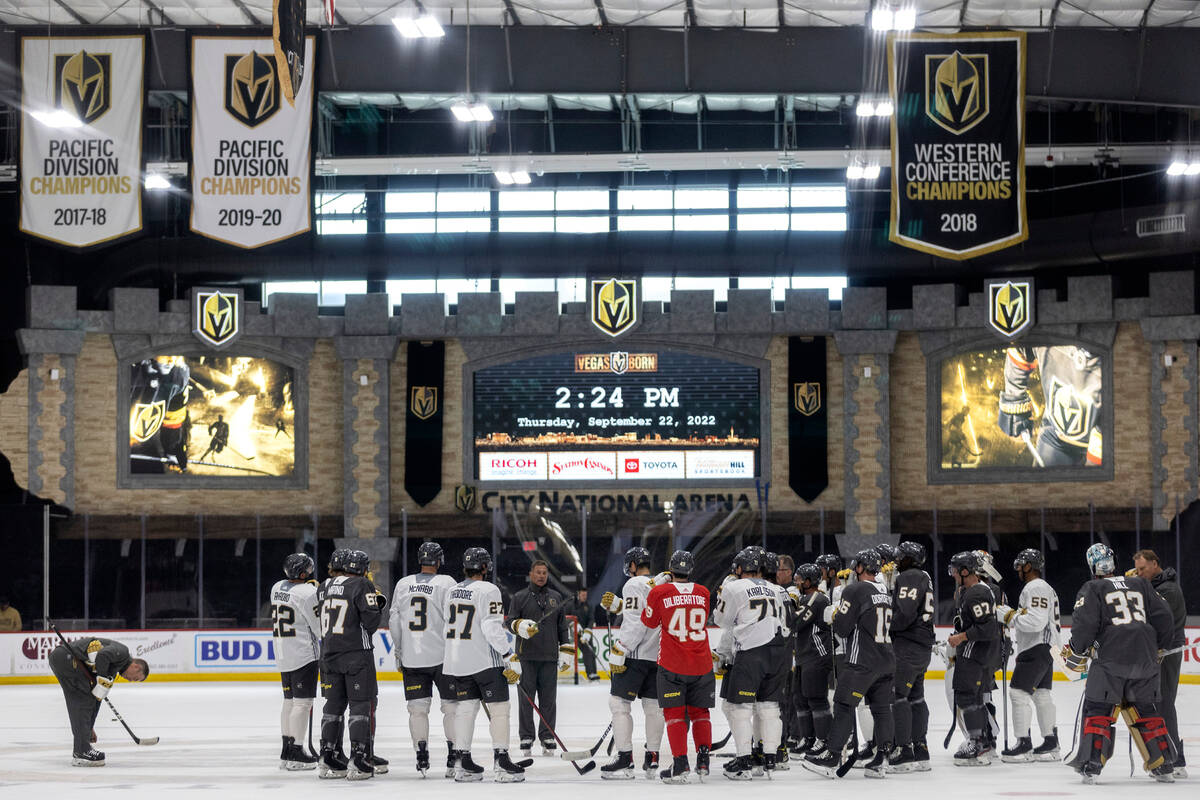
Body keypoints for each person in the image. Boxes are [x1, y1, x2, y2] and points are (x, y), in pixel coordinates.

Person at [1064, 543, 1176, 783]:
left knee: (1098, 710)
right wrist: (1160, 646)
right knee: (1147, 710)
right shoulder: (1141, 583)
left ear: (1092, 565)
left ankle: (1092, 764)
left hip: (1111, 659)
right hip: (1145, 659)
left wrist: (1077, 649)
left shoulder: (1092, 587)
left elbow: (1084, 625)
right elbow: (1165, 616)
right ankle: (1164, 763)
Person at [614, 550, 714, 784]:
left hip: (673, 663)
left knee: (675, 715)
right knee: (701, 713)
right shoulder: (703, 592)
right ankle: (703, 760)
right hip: (702, 662)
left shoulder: (660, 591)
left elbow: (648, 621)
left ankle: (680, 764)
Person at [802, 548, 895, 779]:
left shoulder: (855, 589)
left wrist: (832, 615)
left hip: (861, 660)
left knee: (843, 704)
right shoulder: (884, 592)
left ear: (862, 567)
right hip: (886, 659)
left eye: (857, 566)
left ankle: (832, 756)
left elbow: (842, 629)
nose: (854, 570)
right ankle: (882, 758)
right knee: (882, 709)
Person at [443, 547, 530, 783]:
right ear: (484, 567)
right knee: (500, 709)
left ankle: (463, 762)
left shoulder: (452, 591)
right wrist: (508, 654)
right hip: (484, 661)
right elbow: (492, 627)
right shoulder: (489, 589)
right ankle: (501, 761)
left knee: (465, 710)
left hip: (457, 661)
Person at [713, 547, 786, 779]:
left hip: (752, 651)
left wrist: (723, 597)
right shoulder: (775, 588)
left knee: (739, 708)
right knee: (769, 708)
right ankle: (770, 758)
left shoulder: (734, 586)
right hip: (780, 650)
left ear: (740, 568)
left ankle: (744, 760)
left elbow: (721, 620)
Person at [389, 541, 459, 776]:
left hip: (412, 658)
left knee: (417, 710)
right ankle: (453, 755)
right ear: (439, 561)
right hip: (443, 657)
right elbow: (455, 620)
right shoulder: (447, 583)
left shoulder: (403, 584)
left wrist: (399, 650)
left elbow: (394, 622)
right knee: (451, 708)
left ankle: (421, 754)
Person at [317, 549, 386, 780]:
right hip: (356, 654)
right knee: (360, 705)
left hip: (328, 654)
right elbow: (371, 622)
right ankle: (359, 758)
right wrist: (378, 602)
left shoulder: (324, 585)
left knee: (333, 705)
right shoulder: (361, 585)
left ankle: (327, 755)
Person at [599, 546, 665, 780]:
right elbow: (646, 611)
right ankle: (653, 757)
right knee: (654, 708)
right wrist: (619, 605)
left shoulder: (633, 584)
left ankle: (625, 759)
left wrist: (621, 648)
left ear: (634, 565)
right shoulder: (657, 584)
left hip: (635, 656)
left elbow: (637, 622)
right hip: (656, 656)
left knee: (618, 704)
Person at [995, 548, 1061, 763]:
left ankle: (1023, 744)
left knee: (1018, 693)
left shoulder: (1035, 587)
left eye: (1021, 565)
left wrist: (1008, 615)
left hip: (1036, 646)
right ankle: (1051, 744)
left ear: (1029, 566)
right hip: (1045, 647)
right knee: (1041, 695)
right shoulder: (1044, 587)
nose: (1018, 569)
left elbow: (1035, 622)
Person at [48, 636, 149, 766]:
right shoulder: (123, 653)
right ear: (136, 667)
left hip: (64, 659)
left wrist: (90, 728)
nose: (130, 680)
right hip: (67, 657)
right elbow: (102, 655)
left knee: (84, 700)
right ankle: (82, 751)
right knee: (83, 701)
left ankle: (82, 749)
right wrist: (101, 678)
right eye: (135, 679)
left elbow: (96, 699)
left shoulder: (114, 668)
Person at [506, 560, 572, 756]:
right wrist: (519, 625)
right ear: (531, 574)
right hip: (526, 657)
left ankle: (547, 736)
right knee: (526, 700)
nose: (541, 576)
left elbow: (562, 627)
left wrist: (566, 650)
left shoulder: (556, 597)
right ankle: (526, 736)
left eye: (544, 572)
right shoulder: (519, 597)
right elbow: (509, 622)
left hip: (549, 658)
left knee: (548, 700)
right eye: (538, 572)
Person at [1133, 549, 1188, 777]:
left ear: (1155, 564)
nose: (1140, 574)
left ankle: (1175, 760)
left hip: (1167, 653)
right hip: (1158, 653)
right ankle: (1173, 758)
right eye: (1137, 570)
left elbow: (1152, 618)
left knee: (1164, 703)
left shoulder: (1168, 590)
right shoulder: (1156, 586)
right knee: (1159, 703)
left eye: (1142, 569)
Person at [945, 550, 1001, 766]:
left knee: (968, 696)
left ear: (965, 571)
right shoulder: (970, 590)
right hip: (976, 652)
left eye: (955, 569)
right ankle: (983, 741)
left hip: (974, 652)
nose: (952, 573)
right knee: (974, 697)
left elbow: (987, 628)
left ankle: (977, 742)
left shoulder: (976, 592)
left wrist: (961, 637)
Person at [270, 552, 322, 770]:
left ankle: (287, 751)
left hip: (283, 652)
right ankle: (297, 751)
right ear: (304, 572)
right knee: (303, 703)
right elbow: (318, 626)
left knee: (289, 702)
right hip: (303, 654)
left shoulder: (276, 587)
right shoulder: (308, 592)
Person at [887, 541, 935, 773]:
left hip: (907, 645)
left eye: (901, 556)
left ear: (909, 558)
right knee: (916, 697)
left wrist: (889, 627)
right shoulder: (924, 576)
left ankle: (904, 750)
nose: (897, 560)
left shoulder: (909, 576)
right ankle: (920, 748)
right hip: (922, 646)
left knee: (898, 697)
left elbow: (905, 612)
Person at [788, 562, 832, 760]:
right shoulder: (807, 598)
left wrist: (790, 603)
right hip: (804, 656)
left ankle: (824, 740)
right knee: (800, 698)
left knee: (816, 699)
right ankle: (808, 738)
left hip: (817, 655)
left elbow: (794, 622)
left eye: (799, 579)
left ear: (808, 581)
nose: (796, 582)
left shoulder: (817, 598)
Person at [564, 588, 600, 681]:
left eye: (586, 595)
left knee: (590, 651)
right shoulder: (570, 605)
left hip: (586, 634)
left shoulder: (588, 605)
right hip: (573, 634)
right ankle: (590, 673)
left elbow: (591, 619)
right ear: (578, 595)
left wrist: (588, 631)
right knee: (587, 651)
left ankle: (593, 673)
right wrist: (573, 624)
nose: (585, 597)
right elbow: (564, 617)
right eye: (583, 595)